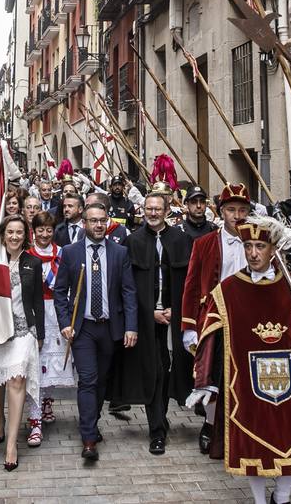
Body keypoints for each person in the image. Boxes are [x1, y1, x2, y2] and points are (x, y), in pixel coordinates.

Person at [191, 216, 291, 504]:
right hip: (245, 382)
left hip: (290, 380)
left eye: (260, 246)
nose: (253, 253)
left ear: (273, 249)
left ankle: (282, 496)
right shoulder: (227, 290)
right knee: (253, 441)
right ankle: (258, 500)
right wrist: (205, 382)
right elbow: (211, 338)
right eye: (248, 246)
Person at [181, 183, 291, 455]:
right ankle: (209, 425)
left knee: (245, 380)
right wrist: (189, 327)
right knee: (216, 376)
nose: (237, 215)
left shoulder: (262, 243)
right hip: (216, 321)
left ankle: (245, 428)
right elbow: (192, 287)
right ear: (221, 212)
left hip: (253, 322)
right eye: (231, 210)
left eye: (242, 209)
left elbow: (276, 279)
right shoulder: (204, 244)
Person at [53, 201, 138, 462]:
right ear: (85, 223)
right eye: (93, 220)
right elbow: (59, 292)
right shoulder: (70, 252)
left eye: (102, 220)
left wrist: (131, 326)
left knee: (101, 381)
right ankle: (88, 437)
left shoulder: (119, 253)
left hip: (110, 328)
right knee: (88, 380)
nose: (98, 225)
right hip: (84, 329)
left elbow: (128, 292)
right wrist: (65, 322)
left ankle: (92, 419)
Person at [112, 187, 191, 455]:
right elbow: (127, 286)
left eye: (158, 209)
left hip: (173, 318)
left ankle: (162, 415)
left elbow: (187, 283)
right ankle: (156, 430)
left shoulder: (181, 240)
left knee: (168, 370)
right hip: (146, 320)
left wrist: (174, 310)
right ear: (143, 211)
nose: (153, 213)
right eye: (149, 209)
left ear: (167, 211)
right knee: (152, 371)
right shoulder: (133, 241)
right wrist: (149, 314)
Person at [0, 213, 45, 470]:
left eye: (19, 232)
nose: (14, 236)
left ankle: (12, 443)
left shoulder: (33, 262)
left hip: (23, 331)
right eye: (9, 232)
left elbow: (37, 301)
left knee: (17, 379)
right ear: (2, 235)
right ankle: (0, 419)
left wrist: (39, 334)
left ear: (25, 236)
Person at [26, 211, 72, 444]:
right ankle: (34, 421)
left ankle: (46, 402)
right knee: (35, 367)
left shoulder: (62, 254)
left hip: (57, 313)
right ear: (33, 231)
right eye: (40, 229)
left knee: (51, 366)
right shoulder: (26, 255)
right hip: (34, 314)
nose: (44, 234)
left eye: (49, 229)